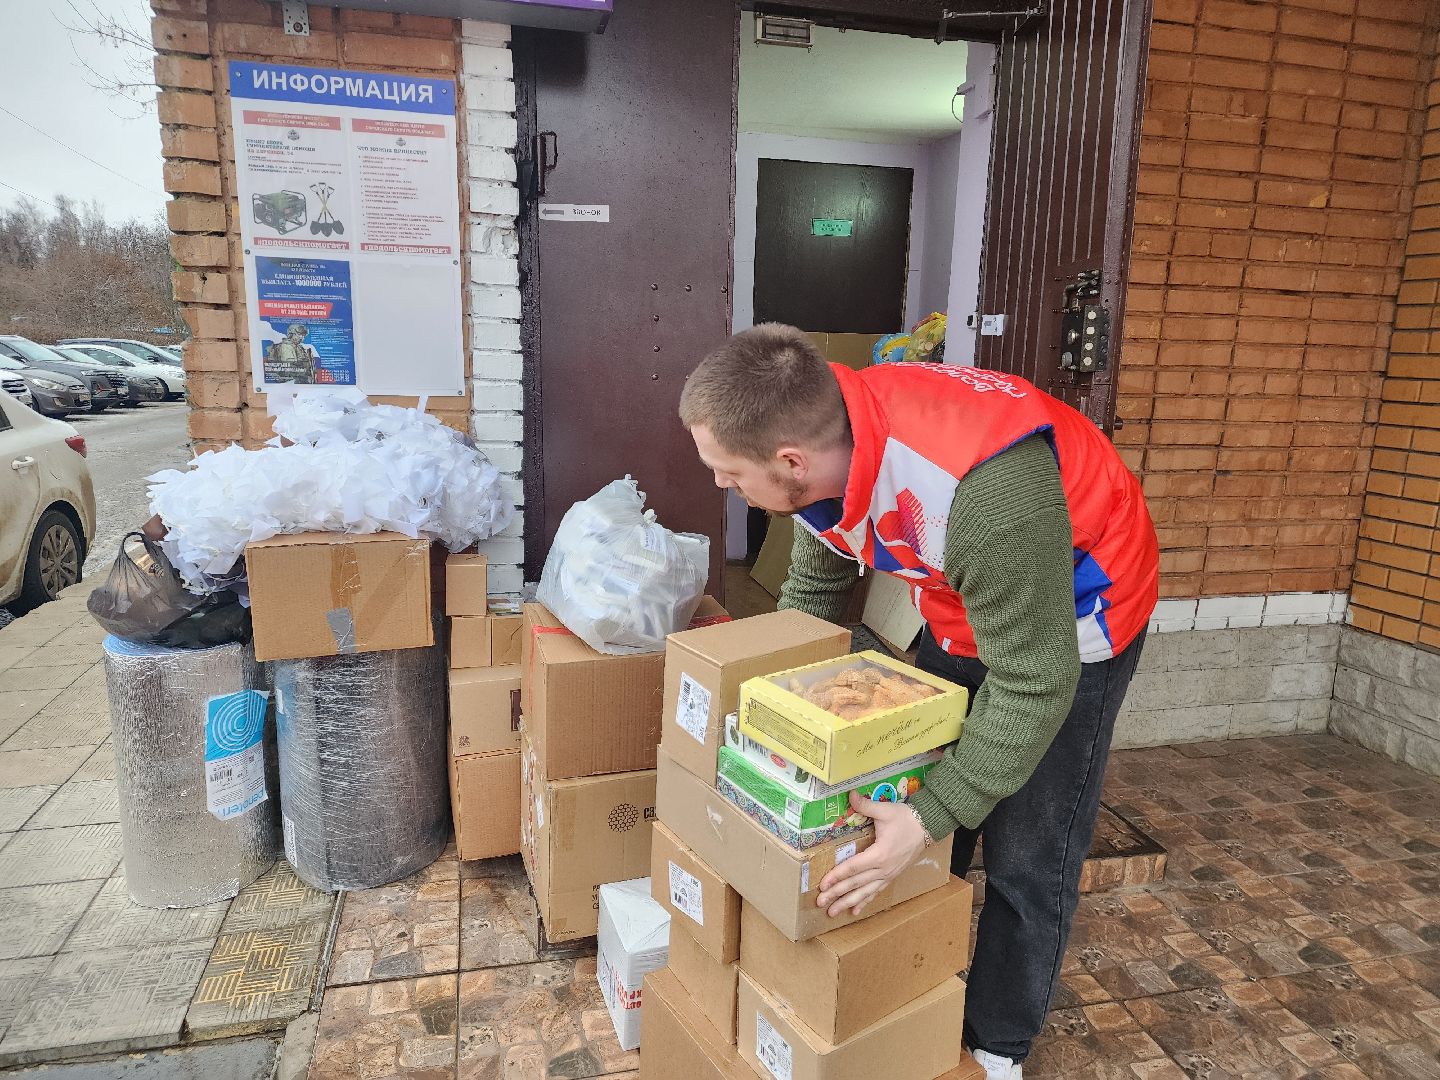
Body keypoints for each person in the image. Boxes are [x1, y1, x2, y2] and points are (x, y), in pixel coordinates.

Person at [678, 323, 1158, 1080]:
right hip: (964, 601)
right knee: (920, 806)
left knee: (1028, 850)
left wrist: (931, 815)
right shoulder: (824, 447)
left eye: (727, 472)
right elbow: (818, 591)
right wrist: (759, 726)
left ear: (789, 461)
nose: (718, 485)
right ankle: (915, 986)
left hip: (1074, 620)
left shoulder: (984, 494)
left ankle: (998, 1045)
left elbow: (1035, 681)